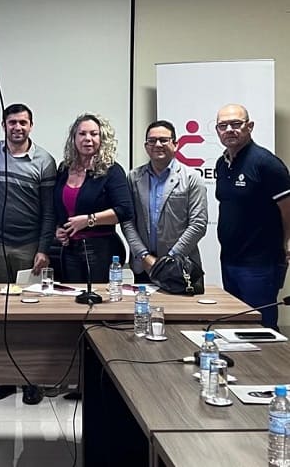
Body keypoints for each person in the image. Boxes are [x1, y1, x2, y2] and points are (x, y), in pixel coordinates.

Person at [0, 103, 55, 406]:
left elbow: (49, 211)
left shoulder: (45, 161)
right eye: (12, 122)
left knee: (29, 315)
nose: (17, 128)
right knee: (0, 314)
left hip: (29, 248)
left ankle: (31, 380)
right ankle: (4, 378)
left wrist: (43, 248)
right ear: (3, 125)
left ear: (31, 125)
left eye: (23, 123)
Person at [215, 104, 290, 329]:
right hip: (229, 259)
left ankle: (272, 366)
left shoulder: (266, 163)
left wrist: (284, 244)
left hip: (260, 263)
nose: (229, 129)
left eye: (236, 124)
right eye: (223, 125)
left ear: (250, 126)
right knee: (237, 325)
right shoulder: (223, 163)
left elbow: (288, 210)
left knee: (261, 327)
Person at [122, 120, 207, 283]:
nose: (157, 144)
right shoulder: (134, 177)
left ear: (175, 144)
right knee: (144, 308)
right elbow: (127, 221)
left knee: (182, 309)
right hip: (144, 266)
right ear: (146, 146)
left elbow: (198, 225)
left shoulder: (191, 178)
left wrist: (169, 260)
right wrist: (143, 255)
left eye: (163, 140)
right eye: (152, 141)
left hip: (181, 265)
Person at [53, 113, 133, 283]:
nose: (88, 139)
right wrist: (59, 229)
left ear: (102, 138)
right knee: (70, 301)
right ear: (73, 138)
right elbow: (60, 208)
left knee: (98, 302)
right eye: (82, 134)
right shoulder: (64, 168)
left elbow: (125, 210)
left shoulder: (111, 170)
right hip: (69, 250)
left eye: (94, 134)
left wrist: (89, 220)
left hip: (101, 250)